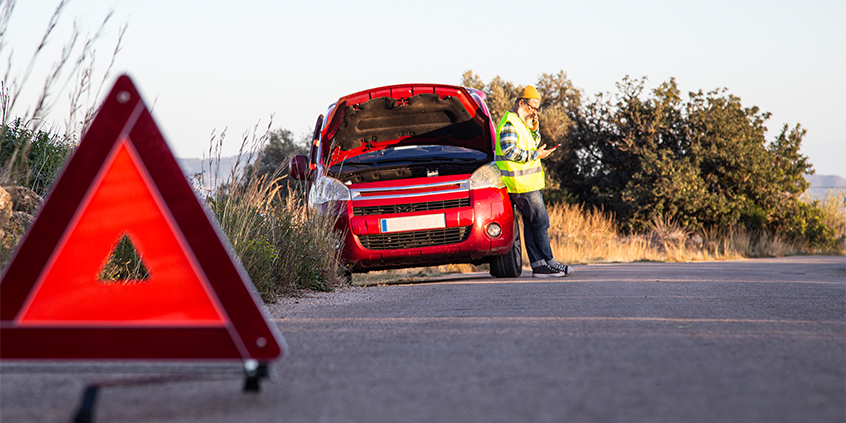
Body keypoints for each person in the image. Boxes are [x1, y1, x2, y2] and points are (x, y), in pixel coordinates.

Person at [495, 85, 574, 278]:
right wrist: (535, 154)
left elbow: (530, 143)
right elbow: (510, 151)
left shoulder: (520, 122)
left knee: (532, 224)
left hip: (528, 183)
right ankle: (550, 262)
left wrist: (534, 130)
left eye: (537, 109)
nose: (534, 111)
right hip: (521, 185)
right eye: (532, 107)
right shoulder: (509, 123)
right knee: (541, 222)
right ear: (521, 102)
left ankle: (539, 266)